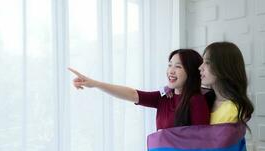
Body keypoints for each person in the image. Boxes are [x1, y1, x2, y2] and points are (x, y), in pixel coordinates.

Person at [69, 49, 210, 130]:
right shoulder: (164, 96)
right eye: (169, 65)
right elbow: (132, 94)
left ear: (191, 71)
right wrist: (95, 84)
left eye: (178, 66)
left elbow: (201, 144)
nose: (171, 71)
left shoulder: (196, 101)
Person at [199, 41, 254, 151]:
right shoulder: (204, 102)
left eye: (207, 62)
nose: (200, 67)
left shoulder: (235, 109)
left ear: (224, 67)